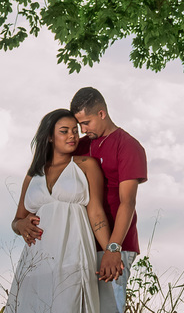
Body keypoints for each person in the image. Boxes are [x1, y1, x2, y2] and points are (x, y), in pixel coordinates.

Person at [6, 109, 114, 313]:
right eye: (64, 131)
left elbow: (96, 213)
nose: (72, 135)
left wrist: (111, 250)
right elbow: (17, 220)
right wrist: (20, 225)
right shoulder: (32, 175)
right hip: (35, 260)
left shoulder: (86, 166)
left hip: (74, 255)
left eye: (75, 130)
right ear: (49, 136)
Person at [71, 86, 147, 313]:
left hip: (115, 243)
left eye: (86, 123)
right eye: (79, 125)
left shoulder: (128, 146)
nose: (82, 130)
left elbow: (128, 203)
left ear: (102, 113)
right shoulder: (82, 146)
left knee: (108, 308)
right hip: (82, 242)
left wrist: (113, 249)